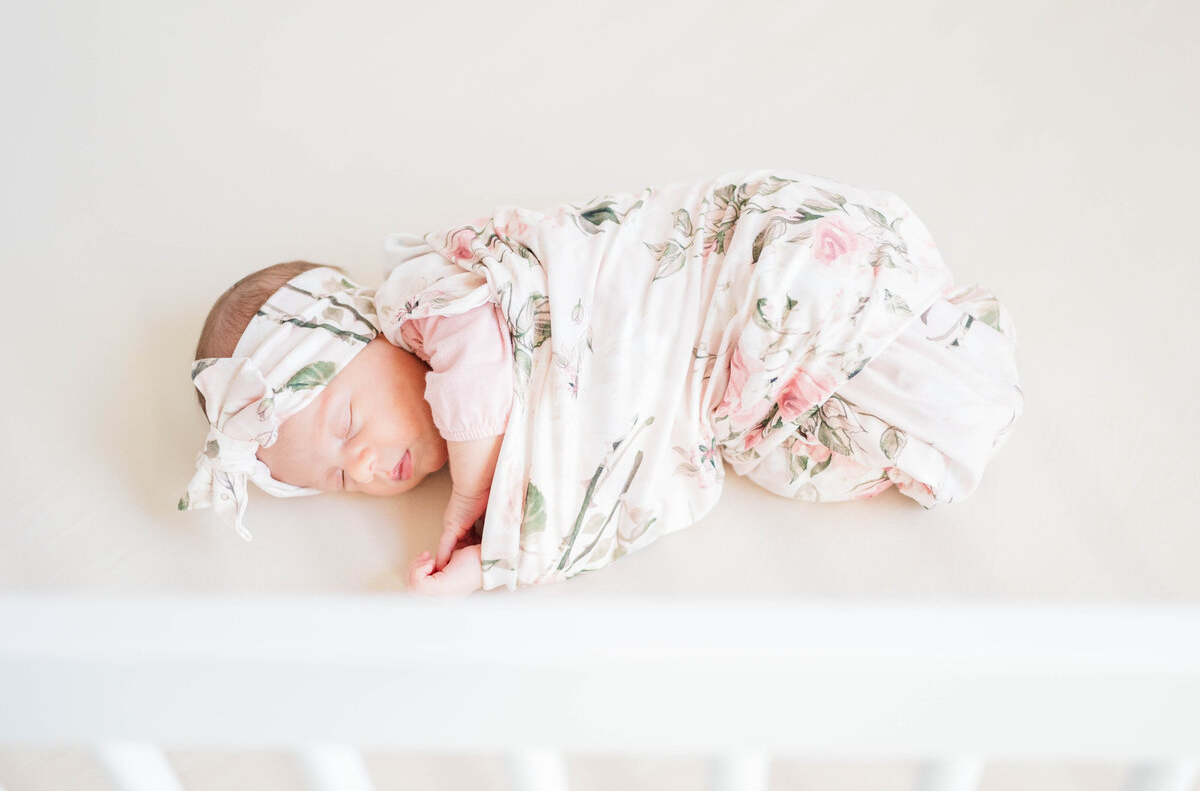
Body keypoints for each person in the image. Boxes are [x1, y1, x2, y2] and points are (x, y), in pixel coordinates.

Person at [181, 169, 1024, 596]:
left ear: (363, 330)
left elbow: (486, 364)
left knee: (891, 350)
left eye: (345, 421)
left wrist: (472, 499)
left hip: (725, 269)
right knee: (891, 441)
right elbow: (587, 480)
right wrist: (496, 563)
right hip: (713, 381)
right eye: (335, 477)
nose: (363, 465)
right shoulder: (499, 434)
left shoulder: (431, 297)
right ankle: (902, 390)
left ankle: (906, 337)